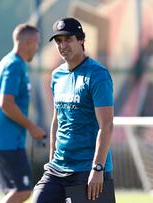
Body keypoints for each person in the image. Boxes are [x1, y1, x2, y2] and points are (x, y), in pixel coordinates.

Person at [32, 17, 115, 202]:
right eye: (58, 41)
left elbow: (107, 125)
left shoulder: (98, 75)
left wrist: (97, 168)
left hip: (87, 169)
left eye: (68, 39)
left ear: (81, 40)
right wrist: (52, 159)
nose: (63, 45)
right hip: (58, 168)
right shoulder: (57, 75)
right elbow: (57, 120)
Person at [0, 23, 46, 203]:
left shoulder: (7, 62)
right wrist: (32, 127)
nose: (37, 48)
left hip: (4, 140)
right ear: (29, 42)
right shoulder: (14, 66)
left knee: (16, 191)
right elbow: (5, 102)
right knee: (23, 191)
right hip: (7, 142)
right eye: (37, 43)